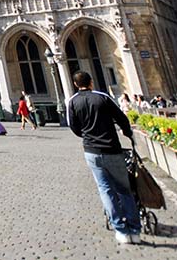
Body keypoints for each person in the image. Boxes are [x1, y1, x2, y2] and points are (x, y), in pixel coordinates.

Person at [67, 71, 140, 245]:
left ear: (76, 85)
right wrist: (127, 132)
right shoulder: (103, 97)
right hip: (112, 149)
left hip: (91, 150)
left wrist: (87, 136)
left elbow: (74, 127)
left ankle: (121, 231)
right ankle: (134, 230)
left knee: (105, 189)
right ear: (91, 82)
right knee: (124, 189)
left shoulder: (73, 102)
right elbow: (122, 119)